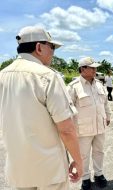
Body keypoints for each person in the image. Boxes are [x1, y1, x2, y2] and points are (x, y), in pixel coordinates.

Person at [0, 26, 83, 190]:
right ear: (39, 47)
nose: (53, 52)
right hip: (49, 170)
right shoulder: (47, 76)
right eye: (51, 47)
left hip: (19, 169)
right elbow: (66, 129)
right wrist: (78, 161)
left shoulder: (2, 75)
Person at [67, 57, 111, 190]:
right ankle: (85, 178)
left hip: (100, 125)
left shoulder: (99, 84)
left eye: (95, 67)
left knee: (99, 151)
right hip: (83, 128)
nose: (95, 70)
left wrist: (108, 116)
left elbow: (105, 103)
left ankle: (99, 174)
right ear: (83, 69)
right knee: (83, 155)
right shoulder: (73, 87)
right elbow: (68, 109)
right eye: (92, 68)